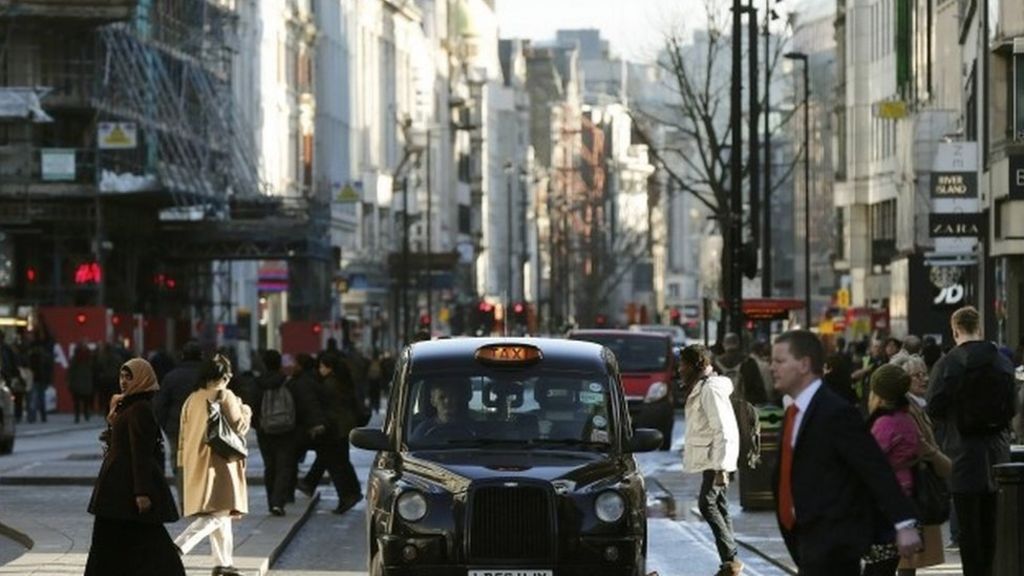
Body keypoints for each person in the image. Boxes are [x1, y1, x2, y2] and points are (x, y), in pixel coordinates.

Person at [770, 330, 921, 576]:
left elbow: (873, 466)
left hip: (834, 542)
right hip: (805, 539)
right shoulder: (793, 413)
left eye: (779, 361)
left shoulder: (835, 411)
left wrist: (903, 522)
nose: (772, 368)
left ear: (804, 364)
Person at [926, 306, 1013, 576]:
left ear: (955, 331)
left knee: (967, 527)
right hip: (997, 453)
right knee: (991, 526)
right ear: (980, 328)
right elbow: (1012, 406)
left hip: (961, 452)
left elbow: (933, 406)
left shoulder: (948, 364)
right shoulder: (1002, 362)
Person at [84, 358, 184, 576]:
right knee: (125, 540)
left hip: (123, 486)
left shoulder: (139, 409)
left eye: (129, 377)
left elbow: (141, 454)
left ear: (142, 378)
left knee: (128, 540)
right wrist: (113, 418)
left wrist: (142, 492)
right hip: (119, 485)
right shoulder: (130, 406)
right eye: (122, 376)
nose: (123, 381)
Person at [174, 354, 251, 576]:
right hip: (219, 463)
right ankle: (177, 547)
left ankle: (223, 564)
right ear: (224, 376)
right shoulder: (224, 395)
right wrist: (245, 410)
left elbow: (182, 434)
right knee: (218, 514)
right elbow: (240, 426)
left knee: (222, 513)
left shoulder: (192, 398)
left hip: (195, 460)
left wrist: (181, 463)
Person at [679, 345, 743, 576]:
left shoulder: (710, 389)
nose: (680, 369)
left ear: (696, 365)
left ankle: (731, 560)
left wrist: (721, 467)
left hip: (716, 458)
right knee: (720, 505)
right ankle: (730, 562)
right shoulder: (703, 386)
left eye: (683, 364)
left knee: (706, 504)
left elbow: (723, 428)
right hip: (712, 457)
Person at [892, 357, 951, 575]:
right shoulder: (906, 407)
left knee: (911, 556)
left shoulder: (917, 404)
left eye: (924, 373)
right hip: (911, 484)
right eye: (917, 375)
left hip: (916, 481)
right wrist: (941, 460)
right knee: (908, 555)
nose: (924, 379)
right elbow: (918, 442)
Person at [861, 365, 920, 576]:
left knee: (877, 568)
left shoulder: (885, 423)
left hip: (885, 505)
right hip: (904, 496)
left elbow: (868, 459)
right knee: (886, 565)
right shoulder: (906, 418)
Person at [299, 351, 362, 514]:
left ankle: (346, 496)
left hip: (335, 430)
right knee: (342, 463)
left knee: (336, 466)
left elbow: (329, 409)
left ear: (329, 368)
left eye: (322, 367)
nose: (320, 369)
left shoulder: (329, 385)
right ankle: (352, 493)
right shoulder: (342, 381)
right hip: (344, 428)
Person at [251, 349, 300, 516]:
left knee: (269, 466)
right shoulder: (288, 382)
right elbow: (297, 405)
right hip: (286, 430)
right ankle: (278, 502)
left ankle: (271, 501)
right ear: (279, 363)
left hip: (264, 430)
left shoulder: (257, 384)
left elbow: (252, 406)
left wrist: (258, 425)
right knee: (283, 466)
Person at [154, 340, 203, 506]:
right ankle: (198, 498)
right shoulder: (206, 376)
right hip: (201, 426)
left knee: (179, 463)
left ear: (182, 356)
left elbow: (161, 404)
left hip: (176, 427)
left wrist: (163, 425)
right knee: (200, 462)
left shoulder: (171, 377)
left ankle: (184, 500)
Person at [411, 379, 476, 441]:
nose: (447, 401)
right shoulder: (423, 432)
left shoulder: (473, 429)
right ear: (433, 402)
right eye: (441, 397)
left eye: (452, 396)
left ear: (458, 398)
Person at [69, 341, 96, 423]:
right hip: (86, 381)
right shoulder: (89, 357)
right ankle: (85, 414)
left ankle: (77, 416)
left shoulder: (75, 358)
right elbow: (93, 368)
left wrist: (70, 381)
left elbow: (71, 371)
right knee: (85, 401)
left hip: (77, 381)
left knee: (77, 401)